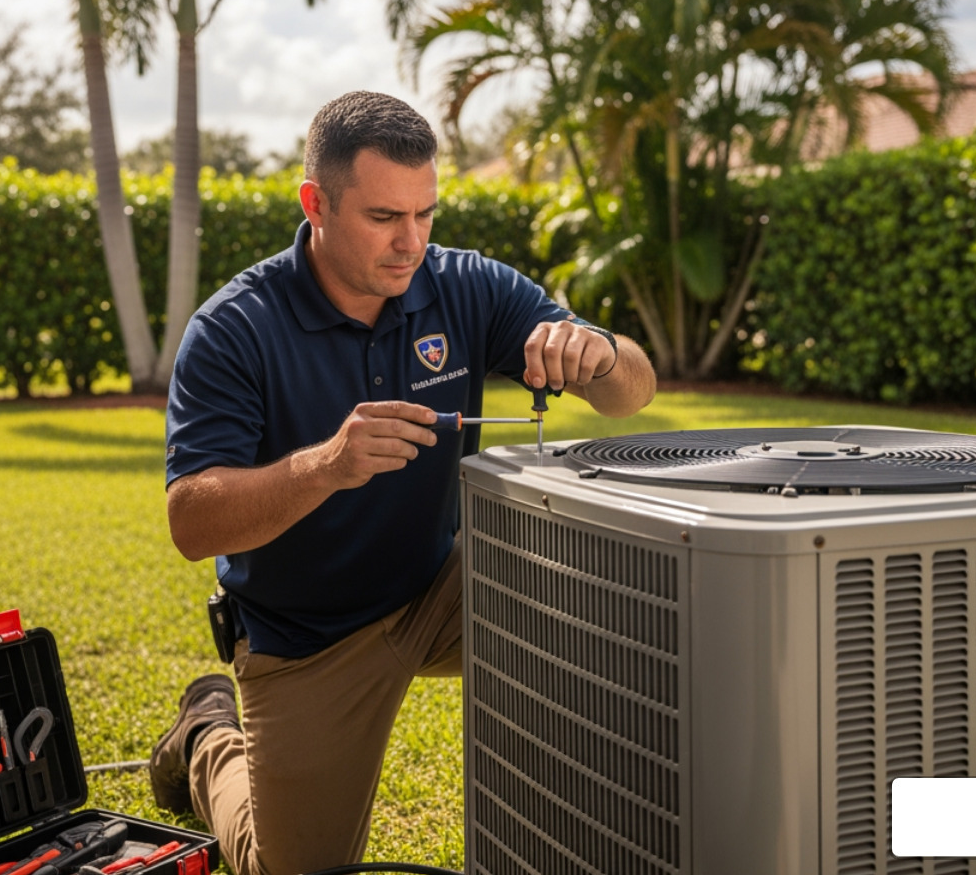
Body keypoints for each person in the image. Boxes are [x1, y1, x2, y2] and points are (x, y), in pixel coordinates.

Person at [152, 91, 655, 875]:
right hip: (308, 635)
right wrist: (328, 465)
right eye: (385, 217)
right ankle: (208, 740)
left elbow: (635, 390)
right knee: (284, 869)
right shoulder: (235, 330)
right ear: (315, 203)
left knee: (619, 617)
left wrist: (596, 353)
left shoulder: (465, 287)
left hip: (443, 589)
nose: (411, 241)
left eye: (426, 215)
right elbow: (192, 523)